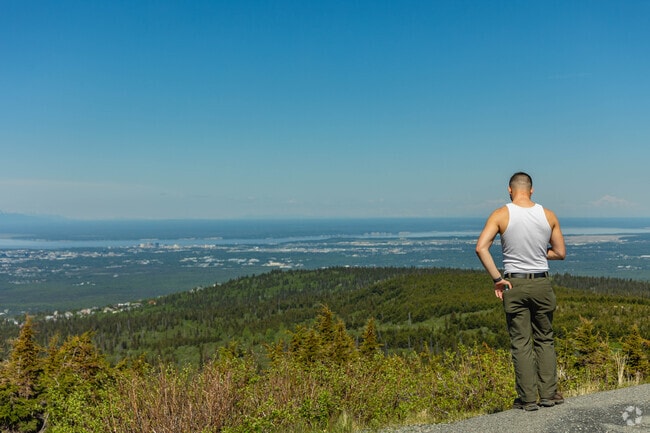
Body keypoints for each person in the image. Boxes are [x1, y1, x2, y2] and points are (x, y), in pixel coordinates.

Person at [475, 172, 566, 411]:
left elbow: (481, 248)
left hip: (514, 284)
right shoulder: (548, 215)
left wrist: (497, 279)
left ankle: (527, 399)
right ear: (532, 190)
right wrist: (537, 253)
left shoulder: (501, 214)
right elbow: (559, 252)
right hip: (541, 283)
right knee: (545, 339)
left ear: (509, 189)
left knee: (521, 342)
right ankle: (548, 394)